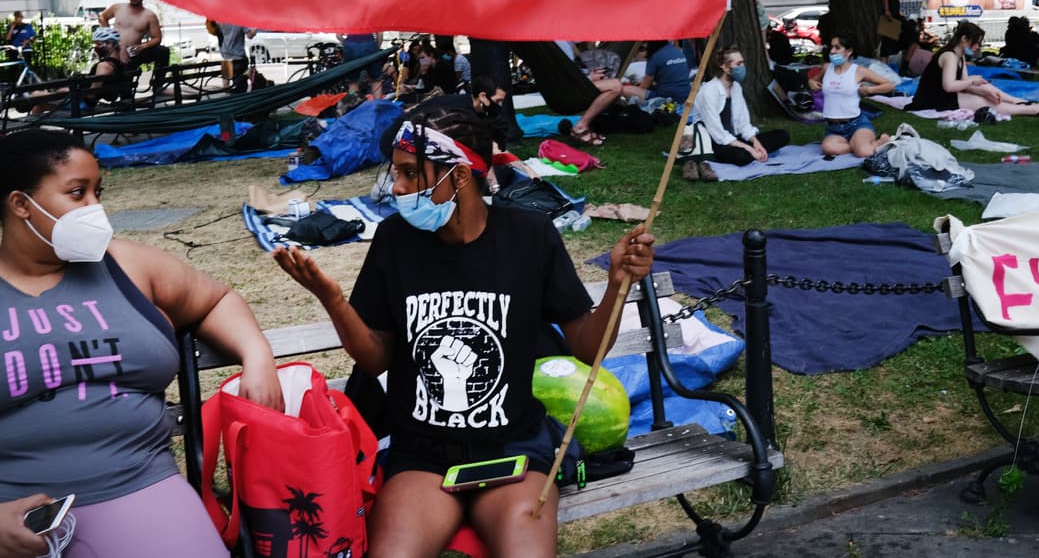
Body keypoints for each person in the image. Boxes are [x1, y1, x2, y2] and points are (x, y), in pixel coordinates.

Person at [271, 107, 656, 558]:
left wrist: (615, 286)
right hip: (423, 458)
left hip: (515, 451)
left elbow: (586, 350)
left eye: (411, 173)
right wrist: (333, 300)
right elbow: (376, 359)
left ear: (456, 176)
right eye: (396, 172)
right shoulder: (395, 239)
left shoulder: (529, 237)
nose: (396, 187)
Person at [0, 129, 283, 557]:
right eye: (77, 193)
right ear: (21, 204)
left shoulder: (128, 265)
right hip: (14, 512)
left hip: (140, 483)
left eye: (98, 191)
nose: (96, 208)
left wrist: (257, 355)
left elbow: (216, 299)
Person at [906, 21, 1039, 117]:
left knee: (984, 87)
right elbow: (950, 85)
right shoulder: (949, 56)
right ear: (964, 39)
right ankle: (1033, 110)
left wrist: (984, 89)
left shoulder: (960, 55)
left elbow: (962, 83)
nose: (977, 47)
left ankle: (1021, 102)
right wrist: (974, 83)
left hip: (944, 95)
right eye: (976, 43)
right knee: (983, 101)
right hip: (933, 99)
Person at [691, 46, 790, 170]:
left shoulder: (736, 87)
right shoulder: (709, 91)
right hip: (716, 143)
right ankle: (749, 154)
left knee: (783, 135)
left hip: (736, 138)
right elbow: (717, 132)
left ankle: (753, 153)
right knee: (740, 156)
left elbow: (743, 123)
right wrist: (748, 148)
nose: (742, 67)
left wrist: (755, 143)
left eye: (743, 63)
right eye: (738, 64)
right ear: (725, 67)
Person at [808, 34, 894, 157]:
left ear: (849, 51)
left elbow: (889, 85)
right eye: (832, 47)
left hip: (856, 124)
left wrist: (870, 90)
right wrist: (811, 82)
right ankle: (857, 145)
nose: (832, 51)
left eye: (837, 48)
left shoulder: (859, 71)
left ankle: (881, 140)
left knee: (865, 153)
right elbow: (813, 80)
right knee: (828, 148)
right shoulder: (827, 68)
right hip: (833, 128)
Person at [99, 0, 170, 81]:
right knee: (118, 80)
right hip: (116, 49)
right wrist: (109, 36)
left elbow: (157, 38)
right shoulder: (118, 8)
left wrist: (143, 46)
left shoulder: (149, 15)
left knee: (163, 51)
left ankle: (158, 84)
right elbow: (103, 17)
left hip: (133, 51)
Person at [633, 40, 692, 104]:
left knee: (625, 89)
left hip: (666, 96)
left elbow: (644, 86)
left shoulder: (655, 57)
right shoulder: (678, 52)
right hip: (686, 93)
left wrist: (636, 86)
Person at [214, 22, 253, 93]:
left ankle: (230, 100)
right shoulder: (239, 19)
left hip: (225, 58)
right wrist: (255, 28)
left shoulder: (220, 19)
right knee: (241, 87)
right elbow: (250, 36)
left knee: (226, 86)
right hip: (239, 58)